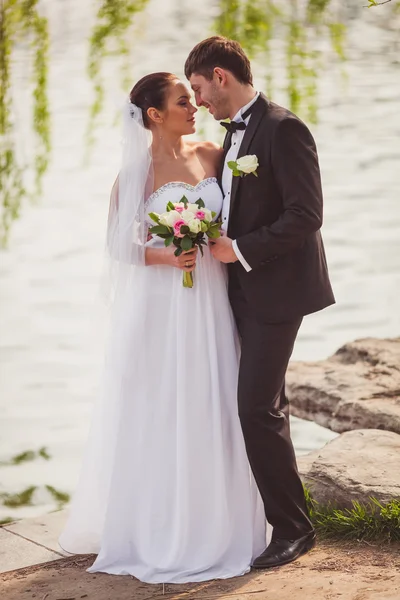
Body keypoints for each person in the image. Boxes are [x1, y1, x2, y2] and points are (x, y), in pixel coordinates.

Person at [58, 72, 267, 584]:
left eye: (192, 98)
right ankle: (162, 527)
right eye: (182, 100)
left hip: (215, 302)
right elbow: (117, 246)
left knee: (214, 401)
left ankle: (223, 525)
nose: (194, 106)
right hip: (164, 308)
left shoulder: (214, 155)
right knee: (165, 405)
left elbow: (238, 214)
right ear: (154, 114)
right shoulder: (136, 173)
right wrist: (167, 256)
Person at [184, 36, 335, 569]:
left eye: (199, 89)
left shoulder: (283, 128)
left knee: (254, 408)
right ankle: (278, 517)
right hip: (238, 290)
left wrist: (239, 249)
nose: (198, 101)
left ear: (221, 77)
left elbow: (305, 215)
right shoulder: (231, 137)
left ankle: (293, 529)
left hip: (276, 292)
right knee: (267, 404)